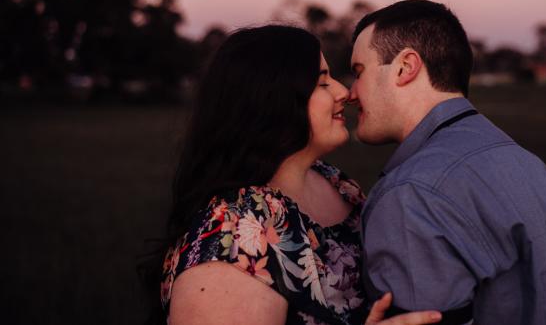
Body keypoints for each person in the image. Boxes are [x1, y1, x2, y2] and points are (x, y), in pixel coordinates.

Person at [158, 26, 441, 325]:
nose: (344, 92)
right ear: (272, 98)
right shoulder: (232, 240)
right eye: (322, 83)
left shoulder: (337, 184)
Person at [349, 0, 546, 325]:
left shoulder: (412, 196)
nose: (350, 93)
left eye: (358, 72)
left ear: (406, 67)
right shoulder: (527, 164)